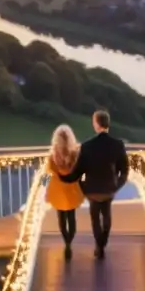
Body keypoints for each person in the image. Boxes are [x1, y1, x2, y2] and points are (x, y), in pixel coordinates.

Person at [57, 109, 128, 259]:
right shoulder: (118, 144)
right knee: (107, 216)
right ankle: (102, 243)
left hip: (92, 190)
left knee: (95, 218)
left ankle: (99, 246)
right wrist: (117, 185)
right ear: (108, 124)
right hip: (109, 188)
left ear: (96, 124)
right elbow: (124, 170)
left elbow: (77, 172)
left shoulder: (87, 146)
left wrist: (63, 178)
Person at [45, 124, 84, 261]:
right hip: (71, 188)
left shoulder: (53, 155)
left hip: (58, 189)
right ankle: (69, 241)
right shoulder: (75, 153)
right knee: (71, 217)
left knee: (61, 218)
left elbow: (49, 169)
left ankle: (66, 241)